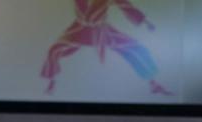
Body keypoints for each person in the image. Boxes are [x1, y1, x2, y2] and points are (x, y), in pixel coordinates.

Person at [41, 0, 172, 96]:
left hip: (102, 31)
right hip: (79, 30)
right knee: (54, 50)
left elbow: (125, 6)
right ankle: (51, 81)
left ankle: (153, 83)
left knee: (136, 49)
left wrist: (146, 22)